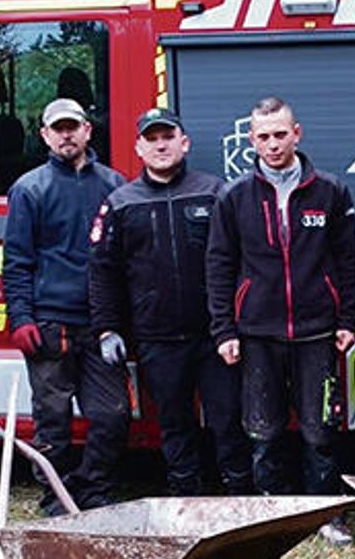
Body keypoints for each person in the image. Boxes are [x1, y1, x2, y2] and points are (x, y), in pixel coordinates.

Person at [206, 96, 355, 545]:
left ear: (298, 133)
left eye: (280, 134)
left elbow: (349, 262)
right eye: (264, 136)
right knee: (263, 430)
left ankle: (326, 515)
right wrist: (224, 330)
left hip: (319, 333)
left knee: (321, 430)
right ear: (251, 140)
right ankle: (273, 515)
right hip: (256, 335)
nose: (273, 144)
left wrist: (348, 318)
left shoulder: (330, 191)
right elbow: (218, 266)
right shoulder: (234, 197)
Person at [88, 108, 252, 496]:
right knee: (174, 424)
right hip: (156, 338)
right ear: (139, 148)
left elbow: (243, 261)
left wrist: (238, 321)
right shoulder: (121, 203)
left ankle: (239, 495)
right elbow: (103, 271)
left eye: (168, 137)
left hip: (215, 336)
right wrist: (108, 328)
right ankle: (187, 497)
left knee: (227, 420)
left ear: (185, 143)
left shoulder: (215, 192)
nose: (160, 145)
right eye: (152, 138)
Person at [2, 97, 130, 512]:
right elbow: (17, 261)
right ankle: (56, 496)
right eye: (57, 128)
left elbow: (125, 261)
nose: (66, 134)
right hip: (50, 325)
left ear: (87, 130)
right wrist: (21, 317)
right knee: (52, 423)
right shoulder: (29, 189)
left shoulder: (115, 186)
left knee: (112, 415)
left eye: (73, 126)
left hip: (100, 326)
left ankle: (92, 489)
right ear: (45, 136)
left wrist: (121, 320)